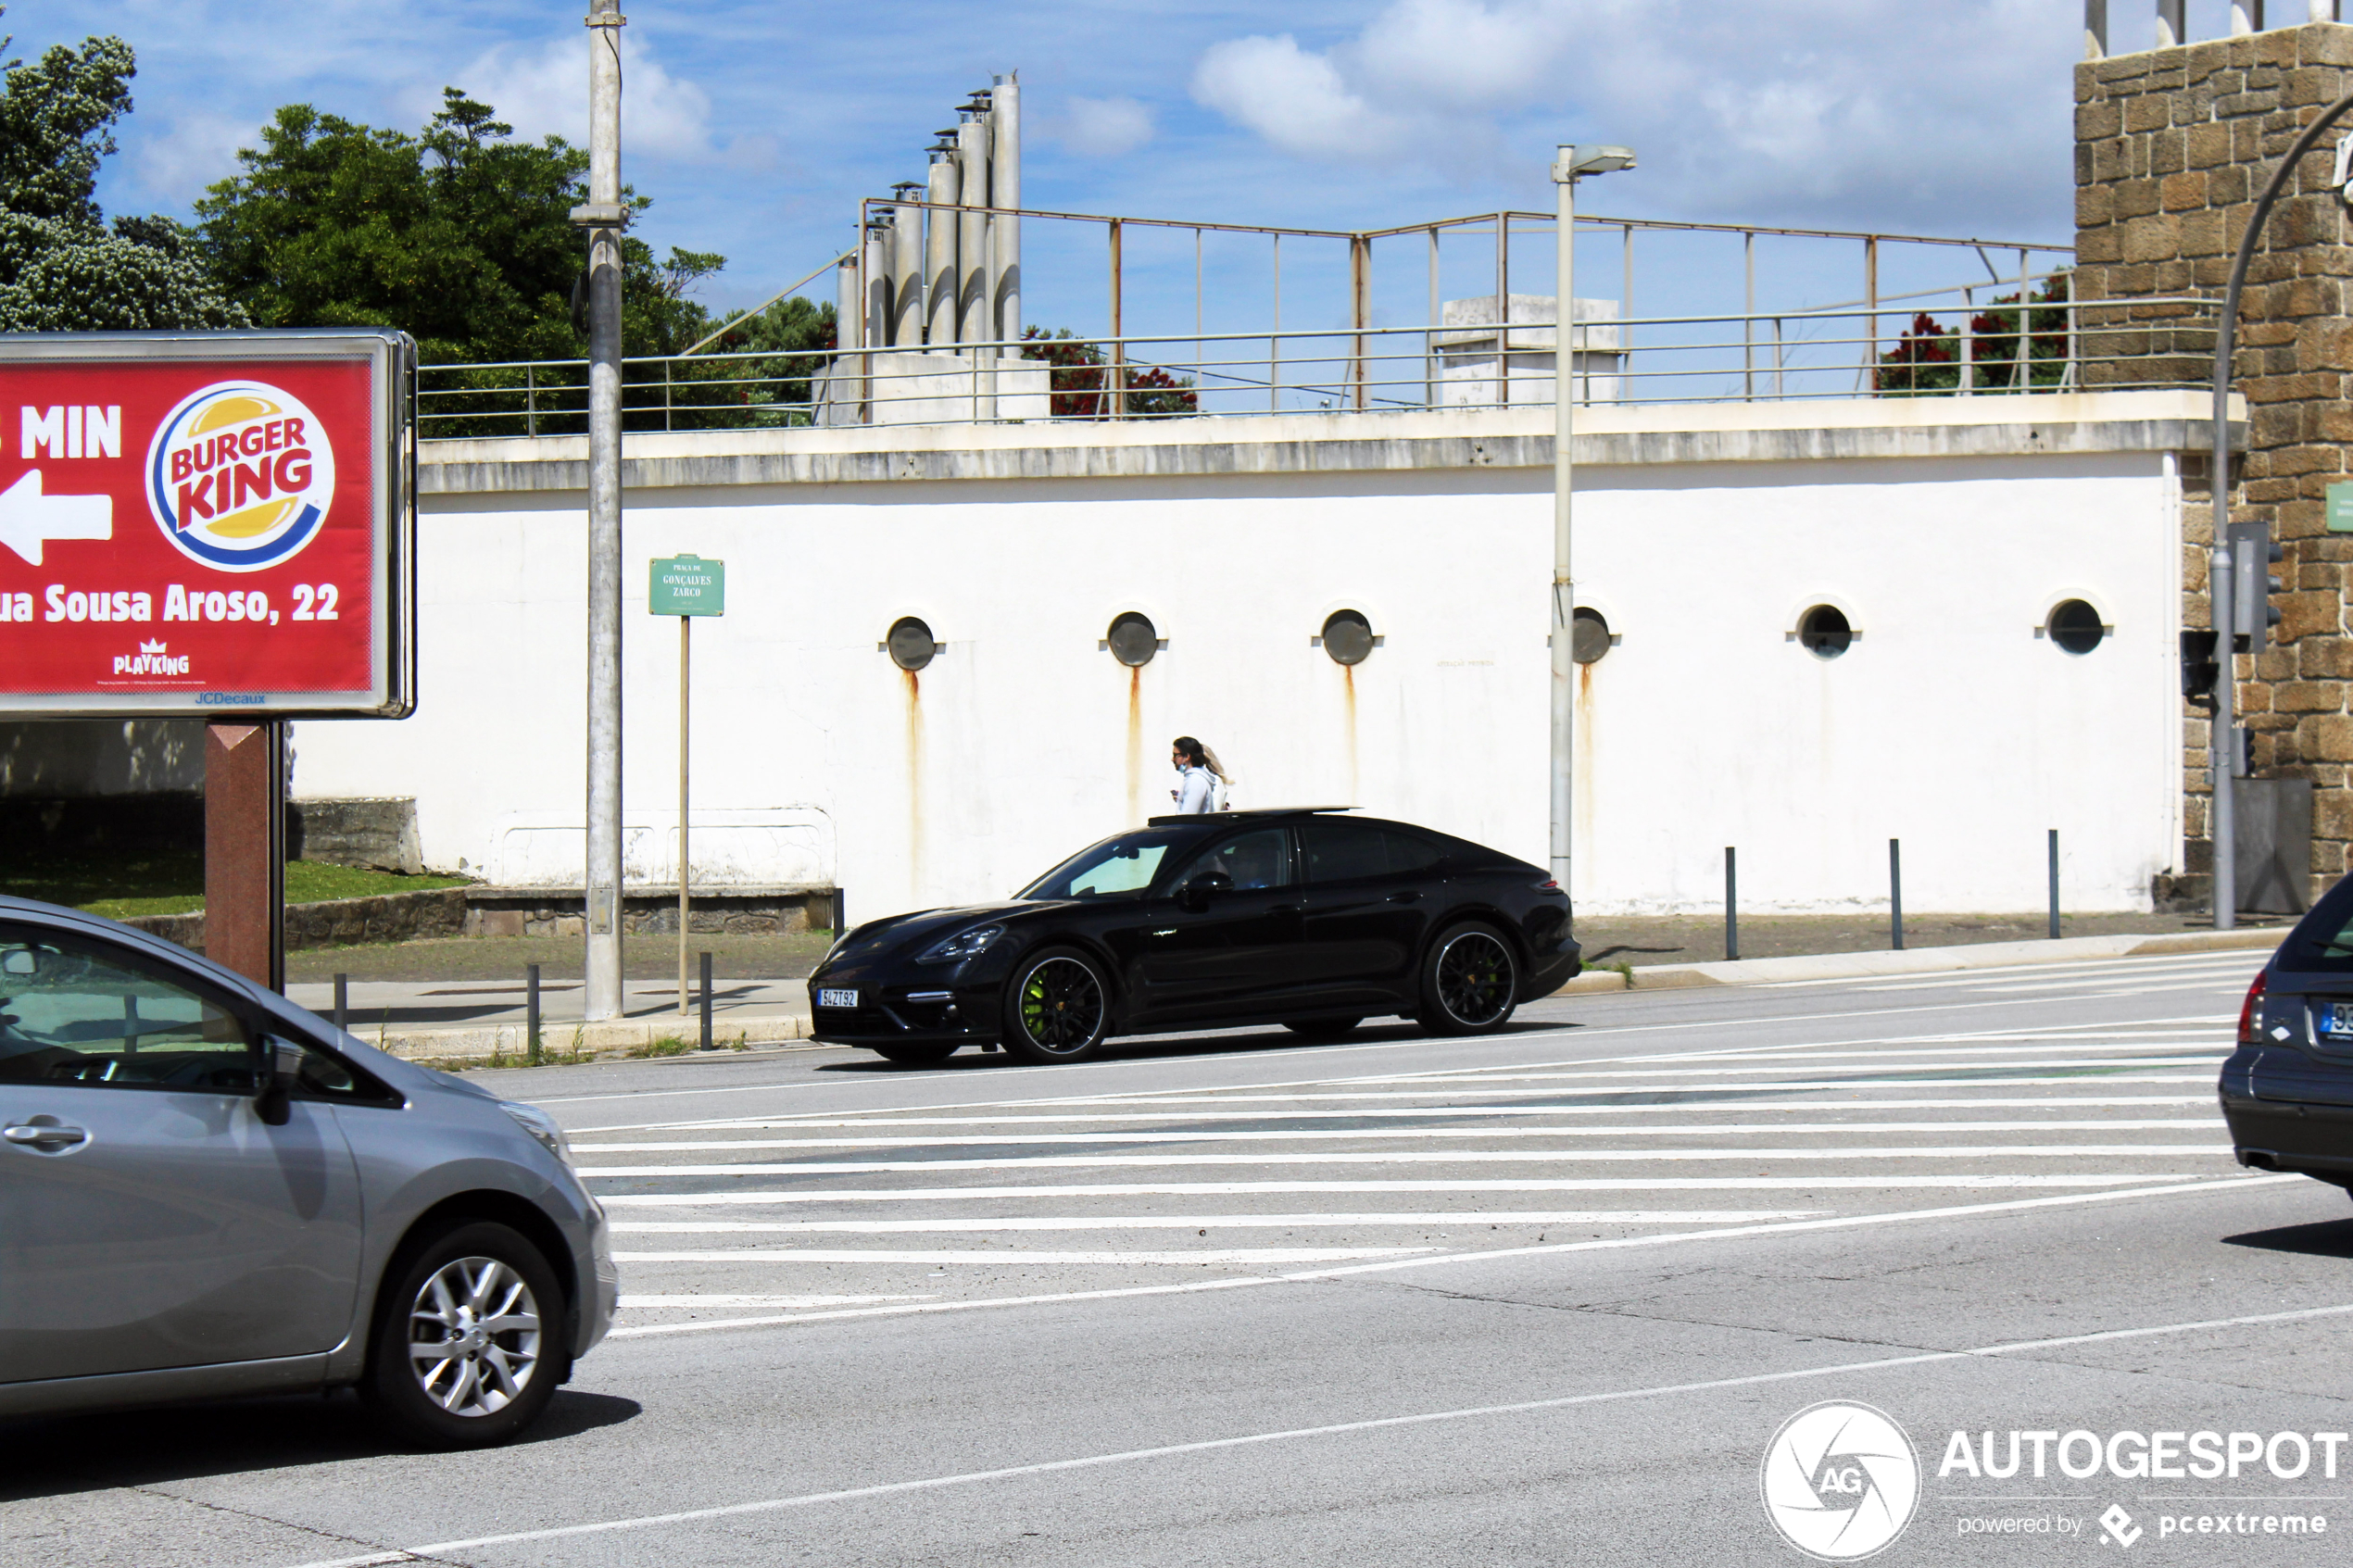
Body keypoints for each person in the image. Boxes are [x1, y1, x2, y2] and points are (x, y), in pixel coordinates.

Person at [1168, 736, 1227, 813]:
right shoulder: (1194, 779)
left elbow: (1187, 818)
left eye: (1175, 755)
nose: (1172, 759)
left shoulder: (1195, 781)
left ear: (1187, 757)